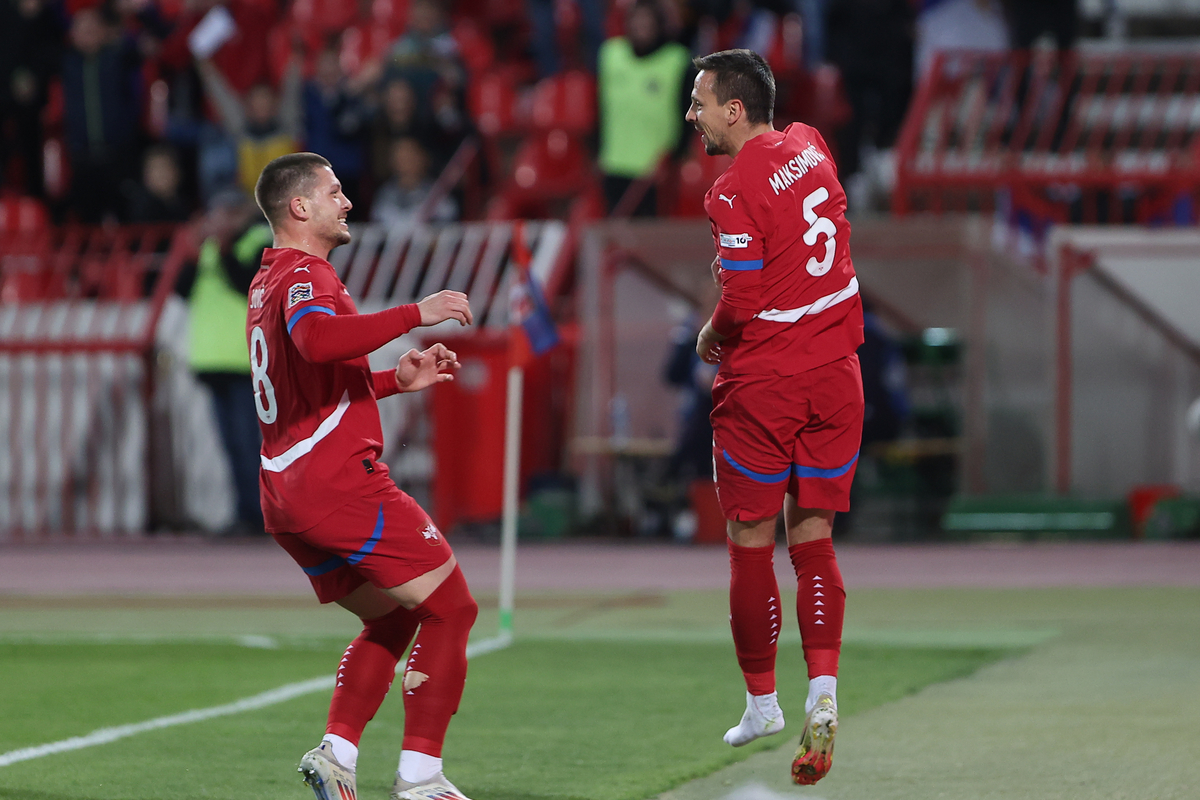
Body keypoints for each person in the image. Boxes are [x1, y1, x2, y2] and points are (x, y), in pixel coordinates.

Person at [247, 152, 479, 800]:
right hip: (336, 484)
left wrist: (390, 382)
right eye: (335, 192)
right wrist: (416, 311)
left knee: (393, 619)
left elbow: (306, 385)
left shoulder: (269, 278)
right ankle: (421, 779)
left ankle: (337, 754)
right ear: (300, 207)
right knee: (453, 610)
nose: (347, 202)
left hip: (285, 492)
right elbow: (319, 342)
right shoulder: (305, 276)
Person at [686, 49, 864, 785]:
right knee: (814, 535)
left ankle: (763, 702)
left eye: (699, 102)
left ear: (734, 108)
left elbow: (744, 300)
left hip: (766, 385)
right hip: (839, 375)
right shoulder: (811, 145)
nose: (691, 115)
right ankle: (823, 690)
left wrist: (708, 334)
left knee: (749, 542)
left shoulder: (730, 192)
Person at [177, 190, 271, 533]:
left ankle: (262, 515)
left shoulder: (259, 240)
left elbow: (245, 285)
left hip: (245, 360)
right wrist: (190, 253)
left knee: (250, 444)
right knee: (231, 446)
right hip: (214, 360)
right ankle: (245, 513)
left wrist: (224, 246)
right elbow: (182, 290)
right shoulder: (210, 245)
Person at [597, 0, 692, 216]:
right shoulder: (610, 54)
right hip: (614, 165)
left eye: (647, 22)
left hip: (656, 172)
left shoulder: (677, 60)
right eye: (636, 21)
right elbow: (599, 108)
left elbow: (688, 112)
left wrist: (677, 156)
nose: (641, 27)